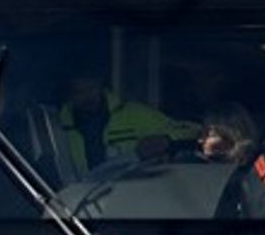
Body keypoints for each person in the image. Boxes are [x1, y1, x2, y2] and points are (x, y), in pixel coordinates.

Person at [58, 73, 192, 173]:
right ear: (69, 95)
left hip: (135, 197)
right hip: (77, 203)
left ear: (101, 86)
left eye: (92, 88)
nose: (88, 96)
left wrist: (166, 139)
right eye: (79, 92)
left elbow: (192, 130)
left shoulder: (135, 114)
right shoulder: (57, 127)